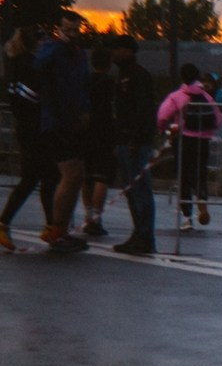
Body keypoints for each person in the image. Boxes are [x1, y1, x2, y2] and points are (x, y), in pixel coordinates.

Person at [31, 19, 93, 252]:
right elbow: (38, 65)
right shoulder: (52, 49)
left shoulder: (77, 54)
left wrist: (85, 109)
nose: (72, 34)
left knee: (77, 175)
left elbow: (83, 83)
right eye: (67, 29)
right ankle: (57, 230)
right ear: (58, 30)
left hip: (73, 120)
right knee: (70, 174)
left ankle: (62, 229)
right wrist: (58, 44)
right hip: (56, 120)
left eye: (75, 29)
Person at [1, 26, 60, 251]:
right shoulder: (30, 65)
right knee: (37, 177)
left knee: (43, 176)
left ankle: (50, 226)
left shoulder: (17, 62)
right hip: (34, 130)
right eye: (44, 39)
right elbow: (31, 97)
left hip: (28, 129)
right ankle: (7, 223)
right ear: (35, 42)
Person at [106, 41, 161, 254]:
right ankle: (138, 233)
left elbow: (143, 111)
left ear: (128, 51)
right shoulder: (123, 75)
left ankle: (146, 236)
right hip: (124, 140)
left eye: (117, 48)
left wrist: (135, 140)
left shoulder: (139, 76)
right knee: (130, 190)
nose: (113, 52)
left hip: (135, 142)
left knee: (140, 190)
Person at [161, 63, 221, 226]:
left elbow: (162, 116)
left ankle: (187, 218)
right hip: (203, 142)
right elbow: (219, 119)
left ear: (182, 77)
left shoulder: (178, 96)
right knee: (200, 174)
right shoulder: (207, 97)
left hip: (184, 140)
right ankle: (201, 199)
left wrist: (163, 130)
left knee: (184, 177)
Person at [77, 43, 120, 238]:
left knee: (86, 176)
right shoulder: (112, 84)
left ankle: (88, 215)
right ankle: (96, 217)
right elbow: (115, 110)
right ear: (109, 63)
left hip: (84, 132)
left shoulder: (83, 82)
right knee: (102, 176)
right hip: (105, 132)